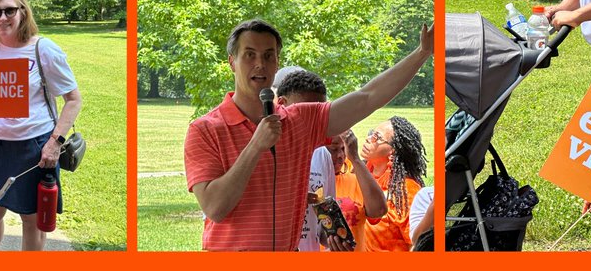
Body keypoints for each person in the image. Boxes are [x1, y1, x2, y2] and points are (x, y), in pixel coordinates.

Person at [183, 18, 434, 251]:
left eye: (269, 55)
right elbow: (215, 208)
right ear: (232, 62)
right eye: (249, 55)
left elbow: (366, 98)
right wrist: (255, 146)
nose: (260, 63)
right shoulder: (205, 130)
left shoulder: (299, 121)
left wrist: (422, 53)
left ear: (277, 63)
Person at [0, 0, 82, 251]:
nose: (2, 17)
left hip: (36, 148)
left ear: (23, 12)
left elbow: (74, 100)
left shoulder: (43, 49)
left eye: (9, 10)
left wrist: (54, 143)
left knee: (31, 220)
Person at [272, 67, 345, 252]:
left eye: (319, 114)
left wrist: (334, 239)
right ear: (281, 103)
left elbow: (322, 225)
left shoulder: (322, 153)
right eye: (305, 112)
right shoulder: (261, 147)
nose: (313, 121)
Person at [336, 117, 426, 251]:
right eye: (371, 133)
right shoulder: (356, 171)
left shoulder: (406, 191)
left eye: (376, 137)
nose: (368, 138)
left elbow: (418, 243)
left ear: (392, 151)